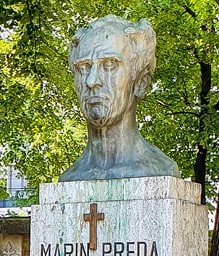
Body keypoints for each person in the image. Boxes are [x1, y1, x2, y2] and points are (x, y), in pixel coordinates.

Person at [60, 16, 179, 182]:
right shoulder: (71, 177)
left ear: (141, 82)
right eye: (84, 68)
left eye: (109, 65)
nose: (92, 81)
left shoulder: (161, 170)